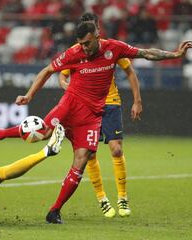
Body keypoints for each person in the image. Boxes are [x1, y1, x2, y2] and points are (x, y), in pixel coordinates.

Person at [0, 22, 192, 224]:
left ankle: (54, 211)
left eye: (87, 43)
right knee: (42, 132)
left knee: (81, 160)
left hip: (91, 117)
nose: (85, 48)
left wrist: (175, 54)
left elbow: (146, 53)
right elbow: (48, 70)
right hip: (70, 105)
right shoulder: (74, 53)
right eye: (81, 43)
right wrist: (30, 95)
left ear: (97, 36)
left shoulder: (114, 48)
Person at [58, 12, 142, 218]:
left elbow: (130, 71)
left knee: (115, 149)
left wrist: (137, 100)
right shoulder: (76, 51)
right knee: (90, 154)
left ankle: (122, 197)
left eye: (96, 27)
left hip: (110, 103)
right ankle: (102, 198)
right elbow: (62, 75)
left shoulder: (111, 48)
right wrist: (69, 89)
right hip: (86, 107)